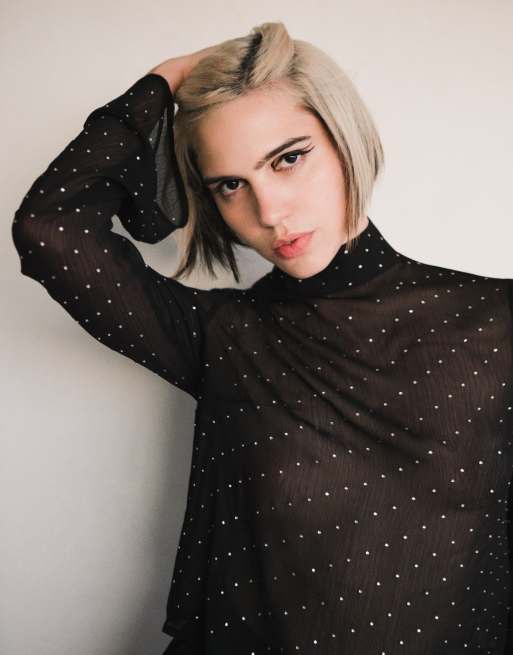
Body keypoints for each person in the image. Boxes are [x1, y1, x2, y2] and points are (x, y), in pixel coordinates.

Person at [11, 20, 513, 655]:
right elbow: (50, 230)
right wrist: (166, 79)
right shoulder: (223, 336)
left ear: (346, 140)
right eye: (230, 185)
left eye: (289, 158)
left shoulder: (497, 318)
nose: (270, 212)